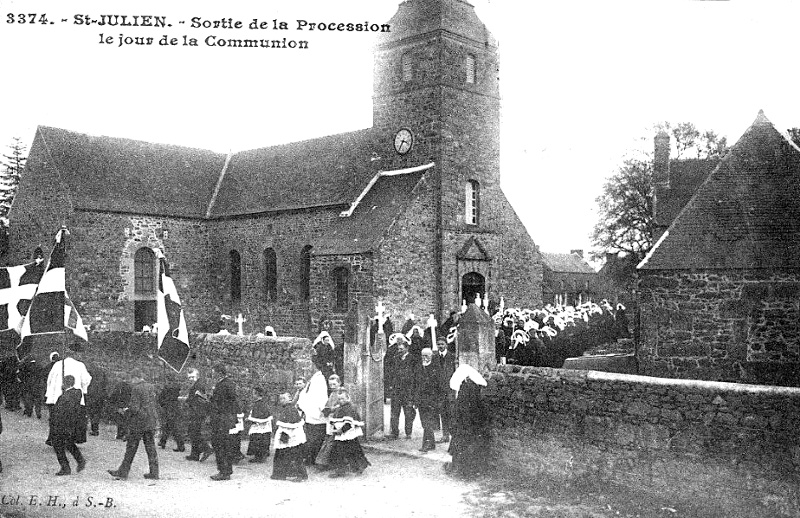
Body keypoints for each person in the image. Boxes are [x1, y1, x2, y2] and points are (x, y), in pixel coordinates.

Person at [107, 369, 160, 480]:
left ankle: (123, 471)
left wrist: (126, 411)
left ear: (135, 378)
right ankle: (154, 472)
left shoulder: (136, 389)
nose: (132, 381)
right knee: (151, 448)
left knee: (131, 448)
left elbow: (134, 407)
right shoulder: (151, 387)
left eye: (132, 379)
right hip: (151, 421)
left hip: (139, 423)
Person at [446, 364, 490, 479]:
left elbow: (461, 407)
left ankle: (462, 471)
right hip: (471, 423)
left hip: (465, 423)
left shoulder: (466, 388)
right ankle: (469, 471)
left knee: (462, 446)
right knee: (469, 446)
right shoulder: (474, 386)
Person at [328, 388, 370, 478]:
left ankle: (359, 466)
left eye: (343, 399)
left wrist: (341, 431)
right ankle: (341, 469)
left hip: (347, 433)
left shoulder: (349, 408)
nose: (341, 401)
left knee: (353, 450)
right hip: (342, 433)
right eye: (339, 399)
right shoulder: (339, 408)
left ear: (348, 398)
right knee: (340, 451)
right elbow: (336, 419)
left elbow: (348, 423)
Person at [50, 375, 86, 476]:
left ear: (64, 384)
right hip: (72, 424)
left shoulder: (64, 397)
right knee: (69, 443)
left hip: (62, 424)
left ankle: (65, 467)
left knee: (58, 445)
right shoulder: (77, 393)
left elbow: (59, 412)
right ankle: (80, 460)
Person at [209, 364, 238, 481]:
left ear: (219, 373)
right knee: (221, 444)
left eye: (214, 372)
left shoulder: (225, 384)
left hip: (222, 419)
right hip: (223, 418)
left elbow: (227, 402)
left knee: (221, 445)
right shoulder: (226, 383)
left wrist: (213, 400)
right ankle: (225, 470)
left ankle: (224, 471)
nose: (213, 375)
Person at [296, 360, 328, 466]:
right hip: (310, 414)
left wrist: (321, 410)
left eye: (310, 366)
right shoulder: (313, 379)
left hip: (316, 415)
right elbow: (306, 394)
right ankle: (310, 458)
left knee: (316, 439)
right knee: (310, 438)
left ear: (315, 366)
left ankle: (314, 459)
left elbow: (321, 397)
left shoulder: (319, 379)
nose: (307, 369)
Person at [271, 392, 307, 481]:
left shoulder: (290, 409)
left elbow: (291, 424)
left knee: (295, 456)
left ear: (290, 399)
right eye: (280, 399)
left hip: (292, 437)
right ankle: (281, 474)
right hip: (287, 436)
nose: (281, 401)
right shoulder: (285, 409)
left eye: (283, 398)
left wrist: (284, 436)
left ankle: (301, 475)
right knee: (281, 455)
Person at [415, 347, 443, 452]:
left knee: (427, 422)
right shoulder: (418, 367)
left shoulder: (435, 368)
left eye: (426, 355)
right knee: (424, 422)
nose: (424, 358)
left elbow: (440, 385)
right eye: (422, 355)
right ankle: (431, 444)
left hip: (432, 400)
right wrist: (415, 399)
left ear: (431, 356)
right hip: (421, 400)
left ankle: (426, 444)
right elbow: (415, 383)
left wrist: (438, 400)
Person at [388, 339, 416, 440]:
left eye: (401, 349)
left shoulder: (412, 359)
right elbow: (392, 372)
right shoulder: (395, 358)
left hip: (407, 390)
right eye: (398, 349)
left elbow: (414, 375)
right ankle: (394, 432)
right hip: (396, 390)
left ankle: (408, 433)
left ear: (407, 348)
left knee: (408, 413)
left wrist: (412, 391)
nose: (399, 350)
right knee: (394, 413)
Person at [183, 368, 210, 461]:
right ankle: (194, 454)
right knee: (194, 432)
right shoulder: (197, 384)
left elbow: (201, 400)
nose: (191, 379)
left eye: (192, 377)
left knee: (193, 432)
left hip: (197, 412)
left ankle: (207, 448)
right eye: (189, 377)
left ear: (197, 376)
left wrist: (189, 400)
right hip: (195, 411)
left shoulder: (199, 385)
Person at [315, 374, 341, 469]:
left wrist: (331, 409)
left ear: (339, 383)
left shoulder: (341, 393)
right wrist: (324, 409)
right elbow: (328, 404)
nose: (332, 386)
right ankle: (323, 461)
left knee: (331, 440)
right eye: (331, 385)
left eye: (334, 384)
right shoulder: (332, 393)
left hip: (338, 419)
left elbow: (341, 405)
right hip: (330, 419)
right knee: (328, 439)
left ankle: (324, 462)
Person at [157, 373, 185, 452]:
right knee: (168, 425)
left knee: (172, 427)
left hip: (168, 408)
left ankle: (181, 445)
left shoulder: (167, 388)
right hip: (174, 408)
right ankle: (163, 441)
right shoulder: (176, 387)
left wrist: (162, 403)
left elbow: (161, 398)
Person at [245, 386, 272, 463]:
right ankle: (258, 456)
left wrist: (250, 419)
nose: (252, 395)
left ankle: (260, 457)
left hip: (261, 427)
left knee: (259, 440)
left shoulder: (260, 404)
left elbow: (261, 417)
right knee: (258, 440)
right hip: (260, 426)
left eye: (253, 394)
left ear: (257, 394)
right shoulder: (260, 403)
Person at [437, 341, 457, 443]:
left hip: (450, 389)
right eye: (438, 344)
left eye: (442, 344)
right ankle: (445, 435)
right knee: (443, 413)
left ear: (446, 345)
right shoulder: (435, 357)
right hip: (440, 390)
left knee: (451, 413)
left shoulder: (452, 357)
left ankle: (454, 436)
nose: (440, 346)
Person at [85, 361, 108, 436]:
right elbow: (105, 384)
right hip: (100, 395)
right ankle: (95, 429)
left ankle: (93, 428)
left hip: (91, 394)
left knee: (91, 412)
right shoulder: (103, 373)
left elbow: (86, 382)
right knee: (97, 412)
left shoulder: (90, 372)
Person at [107, 375, 132, 441]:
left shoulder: (118, 386)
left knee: (119, 420)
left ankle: (120, 434)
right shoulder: (130, 386)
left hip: (119, 405)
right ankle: (125, 434)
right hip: (127, 405)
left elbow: (114, 396)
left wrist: (115, 405)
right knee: (126, 420)